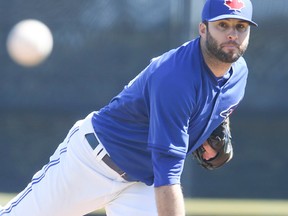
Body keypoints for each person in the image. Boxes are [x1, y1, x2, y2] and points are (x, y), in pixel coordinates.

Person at [0, 0, 257, 215]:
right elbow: (168, 175)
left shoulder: (239, 73)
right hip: (92, 163)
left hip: (143, 182)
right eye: (222, 25)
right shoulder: (175, 78)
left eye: (240, 26)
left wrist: (215, 126)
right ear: (203, 29)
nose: (232, 34)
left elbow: (221, 103)